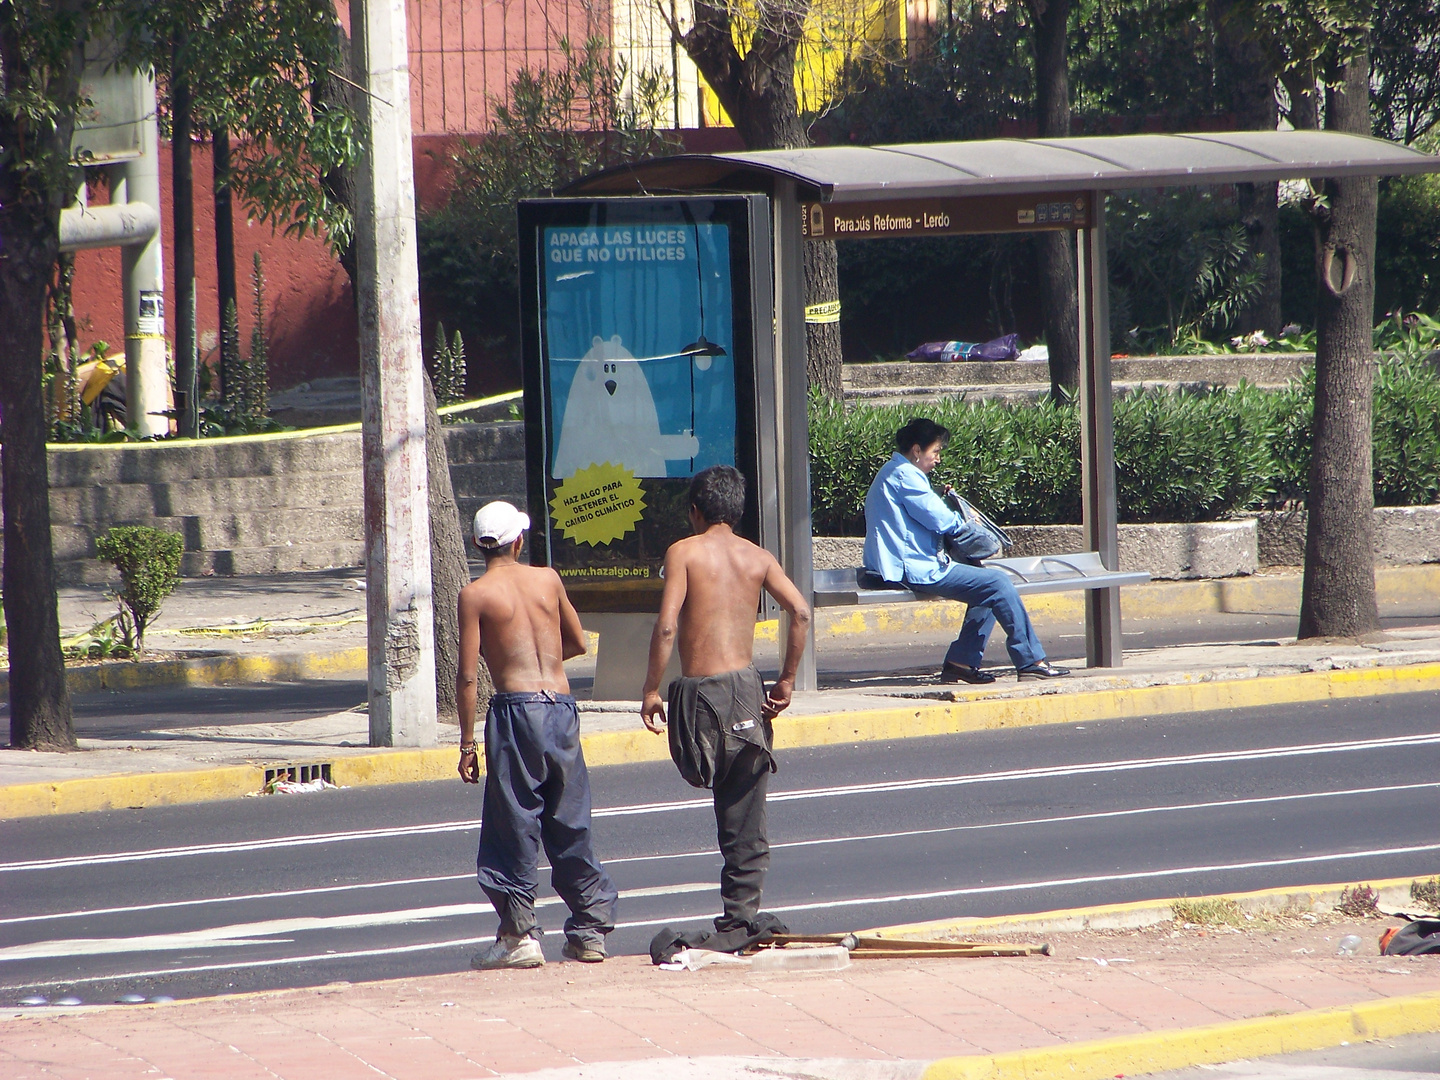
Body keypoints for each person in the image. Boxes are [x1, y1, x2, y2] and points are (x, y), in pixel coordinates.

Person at [641, 465, 811, 934]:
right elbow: (799, 610)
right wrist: (787, 681)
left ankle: (738, 919)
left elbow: (668, 625)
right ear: (736, 512)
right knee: (745, 807)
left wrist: (652, 689)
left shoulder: (684, 552)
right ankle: (741, 914)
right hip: (747, 687)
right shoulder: (757, 557)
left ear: (695, 511)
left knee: (719, 794)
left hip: (702, 691)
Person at [457, 500, 618, 969]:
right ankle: (589, 932)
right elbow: (578, 642)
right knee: (569, 821)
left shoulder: (476, 595)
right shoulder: (547, 578)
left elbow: (468, 676)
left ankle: (517, 936)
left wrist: (468, 742)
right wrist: (542, 663)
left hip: (515, 711)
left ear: (477, 545)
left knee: (513, 823)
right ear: (519, 541)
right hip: (561, 708)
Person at [863, 417, 1070, 685]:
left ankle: (961, 663)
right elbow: (940, 519)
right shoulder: (905, 475)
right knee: (997, 582)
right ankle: (1031, 661)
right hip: (912, 568)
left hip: (909, 564)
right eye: (935, 452)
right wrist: (968, 522)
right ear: (916, 451)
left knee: (985, 586)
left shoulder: (895, 471)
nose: (938, 459)